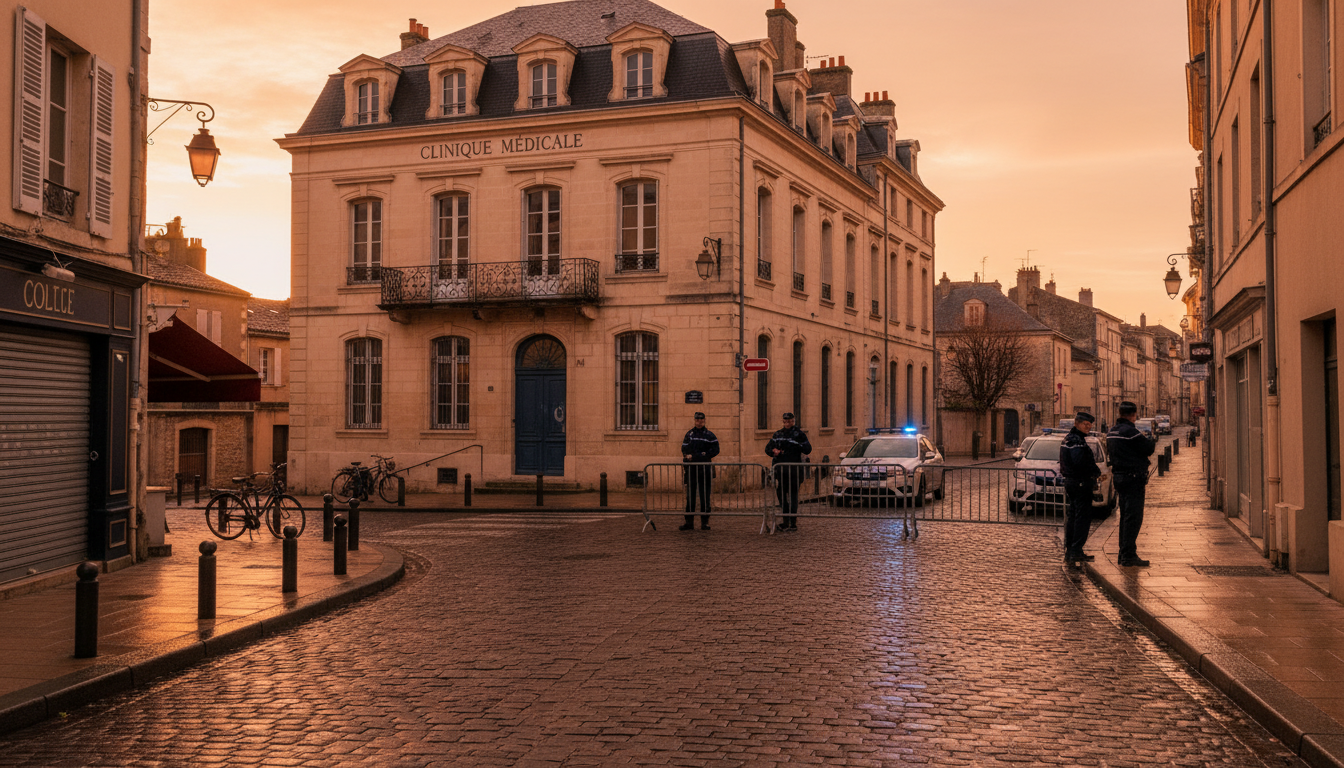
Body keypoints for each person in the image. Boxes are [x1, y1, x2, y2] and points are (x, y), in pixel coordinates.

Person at [1107, 401, 1156, 566]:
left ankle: (1123, 553)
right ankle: (1128, 555)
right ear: (1134, 415)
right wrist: (1151, 438)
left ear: (1119, 413)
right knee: (1133, 517)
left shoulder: (1112, 432)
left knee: (1125, 516)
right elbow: (1148, 448)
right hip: (1133, 478)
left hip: (1119, 477)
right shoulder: (1131, 432)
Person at [1059, 411, 1101, 567]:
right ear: (1077, 423)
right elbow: (1080, 462)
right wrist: (1094, 471)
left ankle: (1071, 550)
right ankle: (1076, 550)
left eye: (1090, 425)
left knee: (1074, 516)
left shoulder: (1070, 439)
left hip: (1073, 482)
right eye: (1085, 424)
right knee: (1081, 518)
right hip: (1080, 482)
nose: (1088, 427)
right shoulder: (1076, 441)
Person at [765, 412, 812, 531]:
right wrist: (774, 451)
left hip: (794, 470)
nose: (787, 423)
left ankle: (792, 522)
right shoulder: (778, 434)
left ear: (793, 421)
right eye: (785, 421)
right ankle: (786, 520)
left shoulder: (799, 434)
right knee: (781, 495)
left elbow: (807, 449)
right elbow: (768, 448)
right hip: (781, 471)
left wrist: (793, 447)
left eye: (789, 421)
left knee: (793, 496)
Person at [680, 412, 720, 531]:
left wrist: (701, 455)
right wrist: (689, 456)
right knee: (690, 496)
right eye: (697, 420)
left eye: (701, 420)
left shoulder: (709, 435)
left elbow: (716, 450)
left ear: (704, 421)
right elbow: (684, 448)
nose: (699, 422)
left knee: (705, 496)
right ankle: (689, 522)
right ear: (694, 421)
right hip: (691, 469)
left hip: (704, 469)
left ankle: (705, 523)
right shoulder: (690, 434)